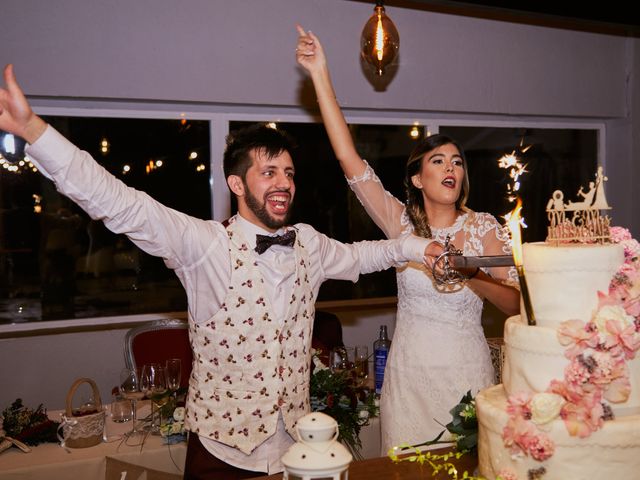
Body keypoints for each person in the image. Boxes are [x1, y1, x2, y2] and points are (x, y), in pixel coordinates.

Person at [0, 64, 438, 479]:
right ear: (237, 184)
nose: (283, 182)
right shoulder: (205, 245)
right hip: (221, 456)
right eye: (268, 172)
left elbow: (365, 256)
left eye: (288, 172)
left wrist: (418, 245)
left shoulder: (309, 242)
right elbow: (119, 203)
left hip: (295, 450)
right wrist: (34, 132)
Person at [295, 26, 520, 452]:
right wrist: (320, 74)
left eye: (457, 161)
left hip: (465, 372)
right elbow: (348, 158)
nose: (451, 167)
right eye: (438, 160)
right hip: (409, 377)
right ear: (418, 177)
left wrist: (469, 271)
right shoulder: (401, 226)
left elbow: (515, 304)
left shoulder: (483, 228)